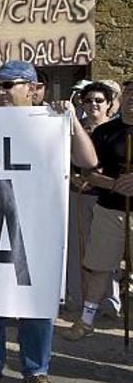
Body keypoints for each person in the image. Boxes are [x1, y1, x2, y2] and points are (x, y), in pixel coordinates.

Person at [0, 60, 97, 383]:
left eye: (8, 85)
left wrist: (69, 121)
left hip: (39, 225)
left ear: (32, 89)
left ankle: (36, 369)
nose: (0, 92)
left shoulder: (50, 121)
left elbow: (88, 161)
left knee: (36, 300)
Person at [63, 80, 133, 342]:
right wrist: (115, 183)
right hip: (109, 208)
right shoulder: (106, 132)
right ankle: (87, 320)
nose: (132, 99)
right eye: (128, 93)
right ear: (121, 99)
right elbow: (88, 172)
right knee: (99, 266)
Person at [64, 82, 118, 316]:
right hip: (78, 196)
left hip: (108, 199)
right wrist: (73, 178)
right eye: (88, 100)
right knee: (77, 249)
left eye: (99, 100)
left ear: (108, 105)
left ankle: (109, 301)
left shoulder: (118, 131)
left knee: (108, 251)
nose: (93, 104)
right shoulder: (75, 130)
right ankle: (76, 297)